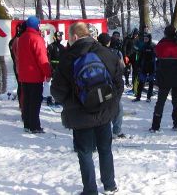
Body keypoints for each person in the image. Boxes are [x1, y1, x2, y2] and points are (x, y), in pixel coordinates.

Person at [51, 22, 123, 195]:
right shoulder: (106, 52)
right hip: (104, 111)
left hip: (80, 115)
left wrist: (70, 103)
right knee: (105, 149)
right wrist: (110, 102)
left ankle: (90, 190)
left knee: (85, 153)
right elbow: (119, 83)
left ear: (75, 36)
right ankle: (109, 185)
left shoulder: (68, 58)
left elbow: (57, 91)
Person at [150, 25, 177, 132]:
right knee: (176, 101)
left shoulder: (161, 45)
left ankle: (155, 125)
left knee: (160, 102)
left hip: (164, 78)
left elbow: (156, 52)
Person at [16, 16, 51, 133]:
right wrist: (47, 72)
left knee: (26, 100)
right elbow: (42, 58)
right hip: (34, 75)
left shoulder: (22, 38)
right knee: (35, 102)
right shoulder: (37, 38)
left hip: (24, 75)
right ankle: (35, 126)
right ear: (36, 25)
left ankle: (27, 124)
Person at [98, 32, 126, 139]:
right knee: (117, 107)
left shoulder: (93, 52)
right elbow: (121, 67)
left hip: (101, 84)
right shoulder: (116, 53)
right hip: (112, 85)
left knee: (105, 107)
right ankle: (116, 130)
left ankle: (109, 131)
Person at [132, 33, 156, 102]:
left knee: (151, 83)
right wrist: (138, 65)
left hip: (151, 67)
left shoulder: (153, 46)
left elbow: (155, 57)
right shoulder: (143, 46)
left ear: (149, 39)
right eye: (144, 39)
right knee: (141, 82)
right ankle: (138, 97)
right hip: (143, 67)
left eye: (146, 39)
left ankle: (148, 97)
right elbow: (139, 57)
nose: (145, 40)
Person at [9, 21, 27, 111]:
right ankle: (23, 104)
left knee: (20, 85)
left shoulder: (12, 41)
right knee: (22, 86)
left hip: (16, 66)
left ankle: (21, 104)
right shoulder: (18, 40)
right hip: (20, 66)